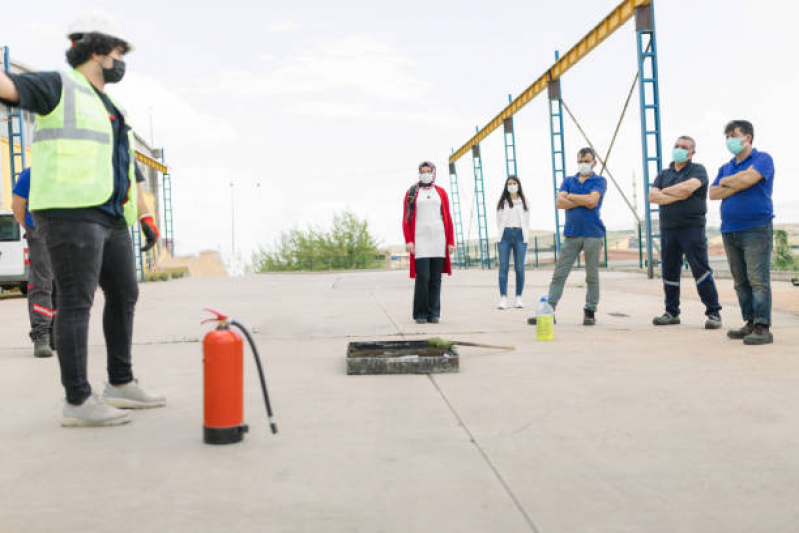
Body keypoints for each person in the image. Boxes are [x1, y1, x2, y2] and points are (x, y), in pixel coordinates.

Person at [0, 13, 165, 426]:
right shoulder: (59, 84)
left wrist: (145, 217)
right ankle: (77, 402)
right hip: (68, 213)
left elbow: (129, 170)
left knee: (125, 294)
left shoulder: (113, 107)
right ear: (96, 51)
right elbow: (8, 87)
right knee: (76, 303)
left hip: (110, 217)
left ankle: (120, 384)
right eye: (117, 52)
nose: (121, 60)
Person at [709, 120, 775, 345]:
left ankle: (762, 326)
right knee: (741, 282)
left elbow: (750, 179)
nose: (729, 140)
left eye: (733, 135)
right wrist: (735, 181)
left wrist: (728, 183)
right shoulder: (726, 167)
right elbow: (713, 193)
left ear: (747, 137)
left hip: (756, 228)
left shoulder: (762, 159)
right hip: (730, 230)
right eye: (726, 136)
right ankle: (749, 321)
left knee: (758, 280)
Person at [649, 136, 722, 329]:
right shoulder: (664, 173)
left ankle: (713, 313)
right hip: (668, 229)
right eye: (677, 146)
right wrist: (677, 192)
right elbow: (652, 196)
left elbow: (689, 189)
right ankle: (671, 312)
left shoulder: (698, 170)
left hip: (692, 228)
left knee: (700, 269)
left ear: (692, 152)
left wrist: (665, 193)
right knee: (669, 270)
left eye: (684, 147)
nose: (679, 149)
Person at [529, 148, 607, 326]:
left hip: (593, 234)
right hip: (571, 234)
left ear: (594, 162)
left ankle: (590, 311)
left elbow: (592, 202)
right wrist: (582, 199)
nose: (583, 164)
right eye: (580, 160)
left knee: (591, 276)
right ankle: (549, 311)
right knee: (559, 274)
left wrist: (570, 197)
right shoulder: (568, 180)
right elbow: (559, 202)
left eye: (586, 161)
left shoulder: (599, 181)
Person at [402, 161, 455, 324]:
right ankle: (420, 313)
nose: (425, 173)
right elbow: (406, 218)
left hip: (439, 239)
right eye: (422, 171)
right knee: (423, 277)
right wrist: (409, 240)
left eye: (428, 171)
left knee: (435, 278)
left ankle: (433, 313)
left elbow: (448, 217)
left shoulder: (441, 192)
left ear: (433, 173)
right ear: (419, 173)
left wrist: (450, 241)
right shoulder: (412, 192)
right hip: (420, 239)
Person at [11, 168, 57, 358]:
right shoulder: (31, 173)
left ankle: (57, 333)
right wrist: (30, 228)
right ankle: (41, 335)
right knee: (42, 282)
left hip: (67, 232)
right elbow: (17, 206)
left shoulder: (70, 170)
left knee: (63, 283)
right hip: (39, 230)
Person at [495, 175, 530, 309]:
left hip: (520, 235)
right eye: (509, 183)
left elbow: (527, 220)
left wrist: (525, 236)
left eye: (514, 183)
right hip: (505, 235)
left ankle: (518, 297)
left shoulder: (525, 201)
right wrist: (502, 233)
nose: (512, 185)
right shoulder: (502, 202)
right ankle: (503, 297)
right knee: (503, 267)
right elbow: (498, 220)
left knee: (519, 267)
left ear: (518, 185)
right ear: (506, 186)